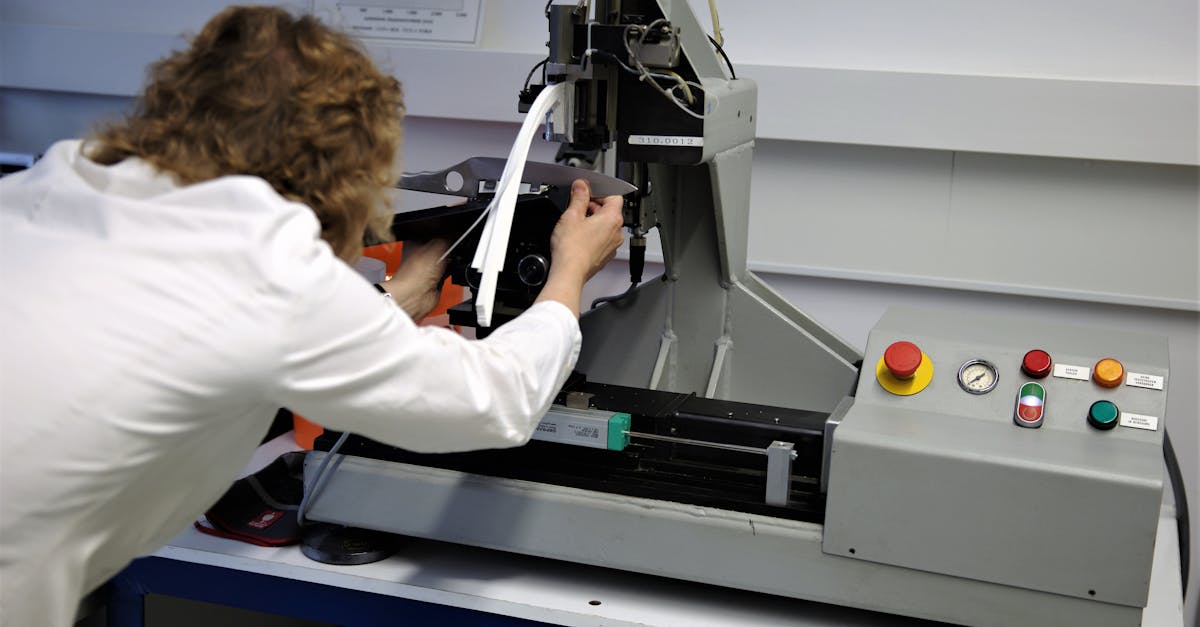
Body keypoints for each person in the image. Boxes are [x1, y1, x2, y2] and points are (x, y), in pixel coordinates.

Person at [0, 6, 624, 626]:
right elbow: (495, 400)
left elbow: (199, 333)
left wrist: (400, 298)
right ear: (341, 167)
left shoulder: (52, 183)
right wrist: (569, 270)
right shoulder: (263, 266)